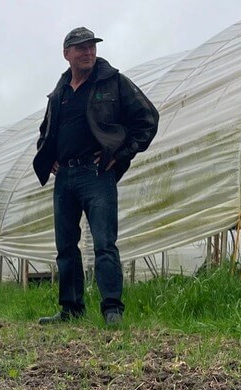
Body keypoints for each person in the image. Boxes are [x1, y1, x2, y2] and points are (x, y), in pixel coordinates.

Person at [33, 27, 159, 326]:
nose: (88, 51)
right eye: (81, 47)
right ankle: (71, 310)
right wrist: (47, 155)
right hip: (65, 176)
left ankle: (112, 309)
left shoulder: (112, 82)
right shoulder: (59, 93)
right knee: (65, 245)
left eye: (91, 46)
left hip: (96, 172)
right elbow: (45, 131)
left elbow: (147, 119)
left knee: (104, 242)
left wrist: (123, 152)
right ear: (67, 54)